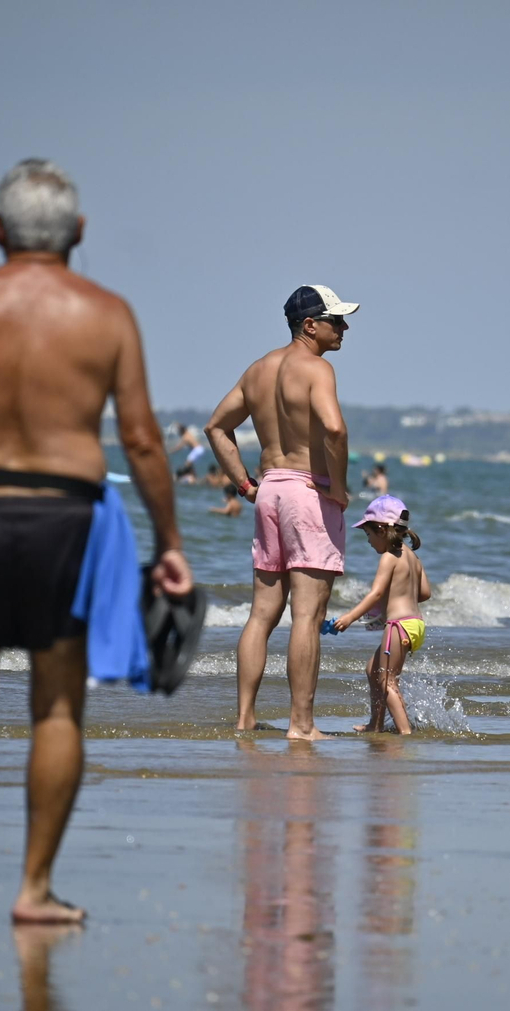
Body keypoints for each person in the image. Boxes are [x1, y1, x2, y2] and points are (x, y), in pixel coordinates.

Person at [0, 160, 192, 924]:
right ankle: (32, 890)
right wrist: (170, 538)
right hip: (67, 516)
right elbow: (144, 440)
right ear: (80, 233)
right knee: (57, 708)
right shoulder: (108, 313)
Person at [205, 284, 358, 740]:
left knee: (262, 614)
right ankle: (302, 725)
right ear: (310, 325)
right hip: (307, 492)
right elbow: (333, 427)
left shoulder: (257, 370)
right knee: (307, 615)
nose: (344, 328)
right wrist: (341, 488)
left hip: (269, 490)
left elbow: (216, 427)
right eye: (336, 320)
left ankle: (245, 718)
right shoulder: (316, 368)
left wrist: (245, 484)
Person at [331, 496, 430, 735]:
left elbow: (375, 594)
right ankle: (376, 724)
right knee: (373, 670)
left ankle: (405, 732)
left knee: (387, 681)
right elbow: (425, 593)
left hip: (398, 626)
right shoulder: (412, 557)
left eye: (368, 535)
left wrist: (350, 617)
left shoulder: (389, 557)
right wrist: (401, 596)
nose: (368, 541)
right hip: (415, 624)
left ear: (382, 530)